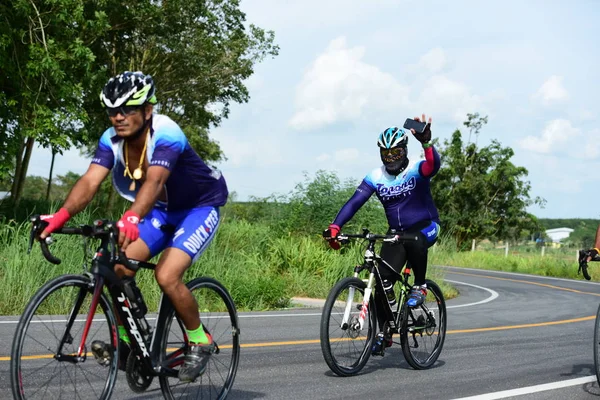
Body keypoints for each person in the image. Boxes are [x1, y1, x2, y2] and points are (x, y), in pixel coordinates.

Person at [39, 71, 228, 382]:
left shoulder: (167, 133)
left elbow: (154, 182)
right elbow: (90, 181)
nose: (118, 117)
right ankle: (129, 341)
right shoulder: (110, 140)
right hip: (162, 211)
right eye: (113, 111)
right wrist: (59, 217)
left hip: (199, 207)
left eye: (127, 109)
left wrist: (131, 217)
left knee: (167, 275)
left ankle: (199, 339)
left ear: (147, 110)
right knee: (118, 269)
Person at [323, 115, 441, 356]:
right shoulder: (376, 177)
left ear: (404, 151)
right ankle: (384, 332)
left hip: (426, 226)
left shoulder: (417, 168)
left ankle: (419, 286)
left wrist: (427, 144)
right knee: (381, 281)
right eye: (386, 154)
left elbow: (433, 166)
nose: (391, 159)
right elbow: (354, 202)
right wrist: (336, 226)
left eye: (395, 153)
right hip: (396, 234)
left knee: (417, 240)